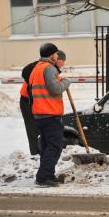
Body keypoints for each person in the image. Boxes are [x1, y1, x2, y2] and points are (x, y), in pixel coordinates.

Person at [29, 43, 70, 187]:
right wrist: (65, 82)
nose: (58, 56)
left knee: (47, 146)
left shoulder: (37, 68)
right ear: (52, 55)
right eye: (56, 54)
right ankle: (44, 177)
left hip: (40, 114)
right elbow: (55, 89)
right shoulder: (49, 68)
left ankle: (47, 174)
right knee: (55, 146)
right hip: (50, 113)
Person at [20, 50, 67, 155]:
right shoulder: (45, 67)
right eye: (62, 60)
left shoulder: (49, 68)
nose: (64, 63)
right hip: (28, 100)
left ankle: (43, 151)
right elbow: (53, 89)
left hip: (36, 100)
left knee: (42, 129)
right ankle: (36, 153)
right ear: (55, 59)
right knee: (33, 129)